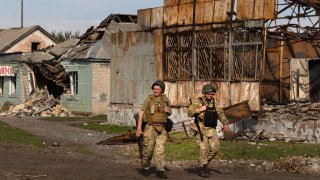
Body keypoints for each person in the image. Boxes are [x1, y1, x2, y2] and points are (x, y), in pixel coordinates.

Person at [188, 84, 230, 178]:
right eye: (210, 94)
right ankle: (203, 168)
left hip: (211, 128)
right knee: (204, 149)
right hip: (200, 128)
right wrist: (199, 109)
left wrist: (225, 123)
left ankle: (203, 161)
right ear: (205, 93)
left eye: (212, 94)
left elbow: (220, 113)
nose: (211, 95)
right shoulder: (198, 102)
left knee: (216, 148)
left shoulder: (214, 103)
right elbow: (189, 113)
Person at [136, 80, 171, 179]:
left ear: (162, 90)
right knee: (148, 150)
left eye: (157, 89)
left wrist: (168, 111)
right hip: (150, 127)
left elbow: (170, 111)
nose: (155, 91)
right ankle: (145, 167)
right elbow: (141, 113)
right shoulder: (149, 99)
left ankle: (160, 170)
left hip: (162, 129)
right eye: (154, 89)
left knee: (160, 150)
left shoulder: (165, 99)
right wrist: (139, 128)